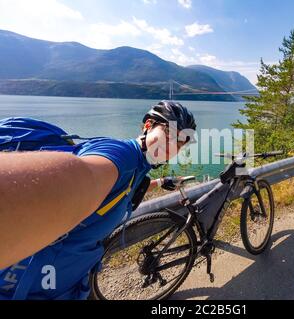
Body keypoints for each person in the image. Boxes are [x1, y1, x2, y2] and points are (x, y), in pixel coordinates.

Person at [0, 101, 197, 300]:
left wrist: (160, 181)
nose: (172, 149)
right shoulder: (120, 156)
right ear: (148, 126)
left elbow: (122, 189)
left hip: (75, 283)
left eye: (179, 144)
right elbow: (85, 174)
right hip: (27, 289)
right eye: (169, 137)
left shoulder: (138, 167)